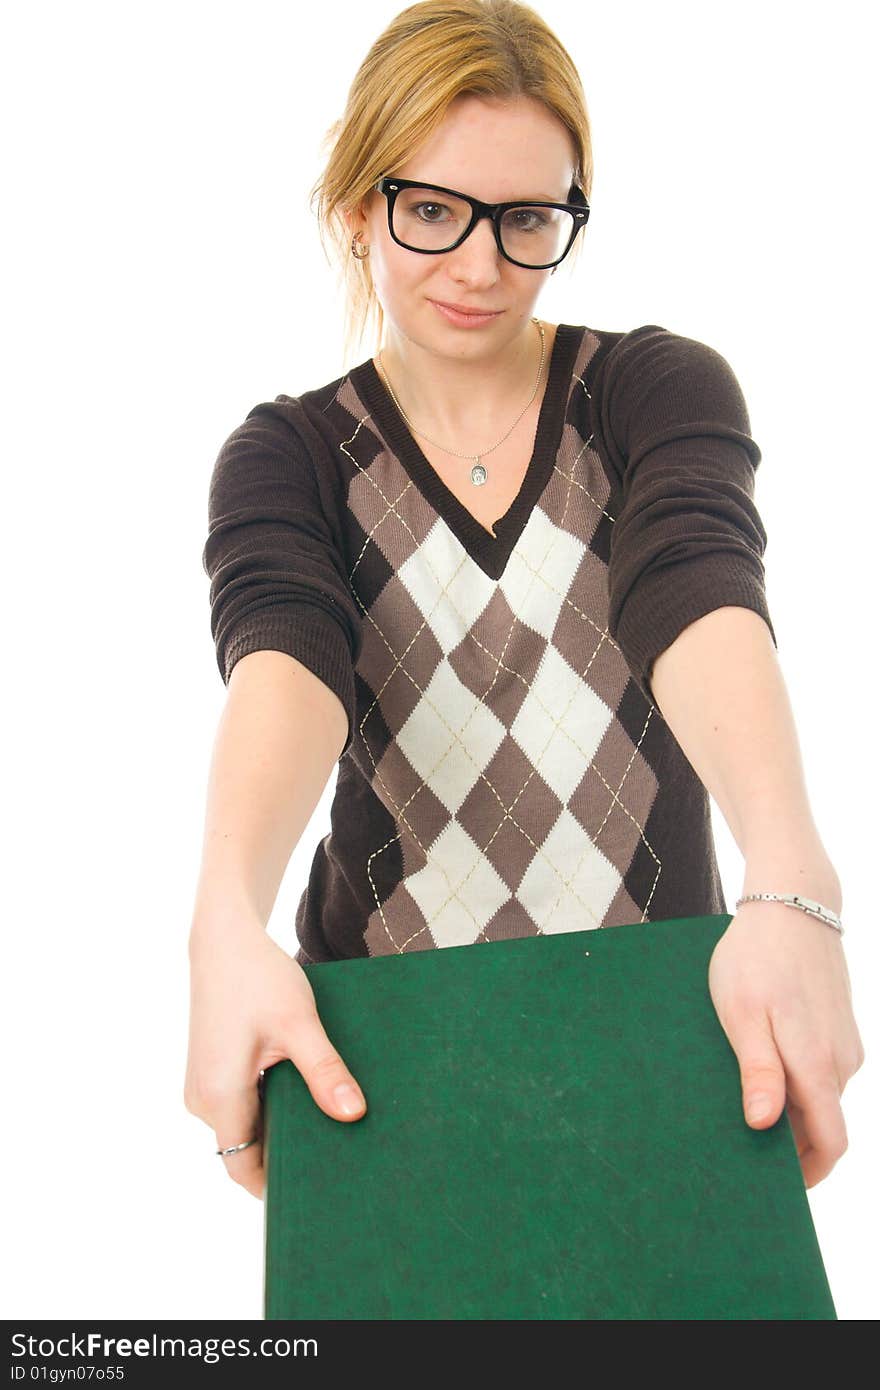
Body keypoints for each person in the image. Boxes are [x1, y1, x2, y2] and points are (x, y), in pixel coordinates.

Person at [184, 0, 863, 1203]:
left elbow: (697, 587)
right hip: (385, 1051)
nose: (481, 265)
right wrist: (224, 919)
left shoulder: (650, 388)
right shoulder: (290, 454)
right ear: (357, 208)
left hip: (666, 1020)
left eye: (527, 219)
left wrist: (789, 874)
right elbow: (288, 662)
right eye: (432, 211)